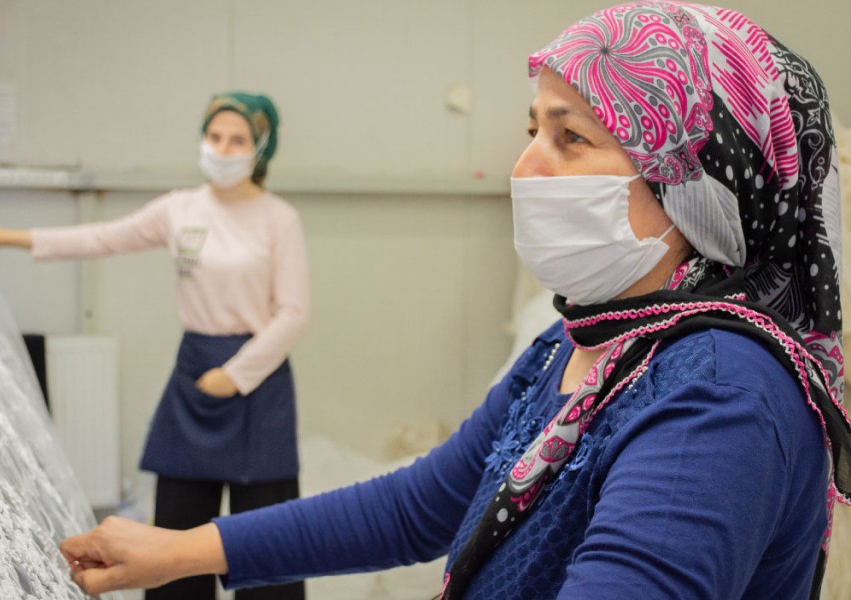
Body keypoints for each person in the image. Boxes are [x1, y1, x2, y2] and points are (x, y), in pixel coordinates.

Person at [58, 3, 851, 599]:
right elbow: (421, 505)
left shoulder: (716, 393)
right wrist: (181, 549)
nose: (524, 166)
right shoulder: (583, 343)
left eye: (568, 138)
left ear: (694, 185)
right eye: (531, 129)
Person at [0, 92, 309, 600]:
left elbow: (293, 313)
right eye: (214, 136)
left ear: (260, 149)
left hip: (258, 379)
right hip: (195, 373)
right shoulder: (180, 209)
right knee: (175, 531)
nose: (223, 148)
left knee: (266, 534)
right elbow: (103, 237)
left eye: (237, 140)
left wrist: (237, 374)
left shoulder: (280, 219)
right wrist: (6, 237)